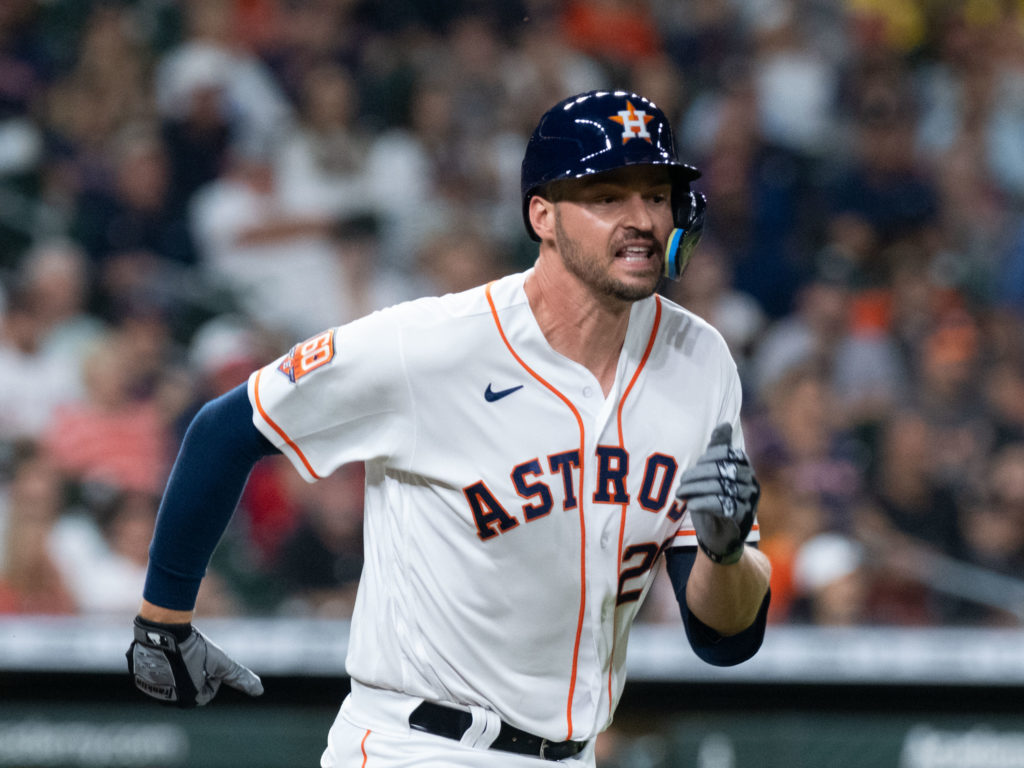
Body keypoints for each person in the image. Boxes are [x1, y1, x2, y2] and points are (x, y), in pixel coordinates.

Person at [127, 90, 771, 767]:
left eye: (656, 194)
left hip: (575, 752)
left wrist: (725, 555)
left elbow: (723, 639)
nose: (641, 219)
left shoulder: (699, 361)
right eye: (608, 196)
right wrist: (163, 621)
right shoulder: (433, 346)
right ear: (542, 216)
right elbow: (226, 429)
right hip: (418, 744)